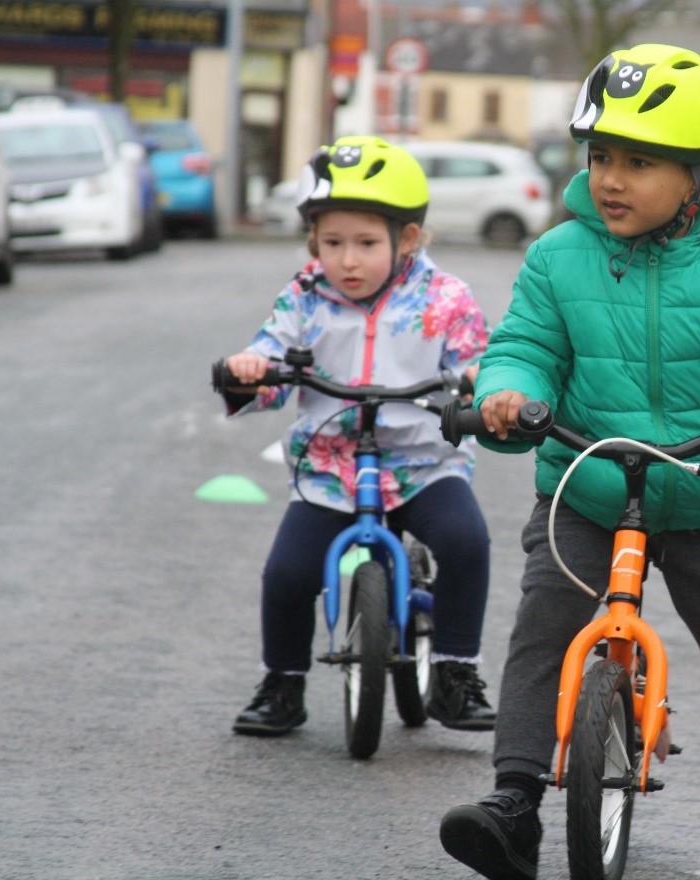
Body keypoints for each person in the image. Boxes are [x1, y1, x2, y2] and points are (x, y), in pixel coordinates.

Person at [438, 44, 700, 879]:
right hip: (588, 487)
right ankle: (515, 801)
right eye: (599, 157)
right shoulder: (559, 255)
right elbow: (523, 346)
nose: (611, 179)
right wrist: (508, 395)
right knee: (543, 635)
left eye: (639, 162)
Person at [220, 136, 497, 736]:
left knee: (466, 540)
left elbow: (479, 356)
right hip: (330, 464)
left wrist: (481, 378)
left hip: (423, 461)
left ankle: (454, 673)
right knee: (288, 574)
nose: (347, 260)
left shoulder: (445, 299)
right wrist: (250, 371)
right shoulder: (305, 296)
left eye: (366, 244)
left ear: (409, 239)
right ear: (313, 240)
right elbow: (269, 358)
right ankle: (283, 683)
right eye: (332, 242)